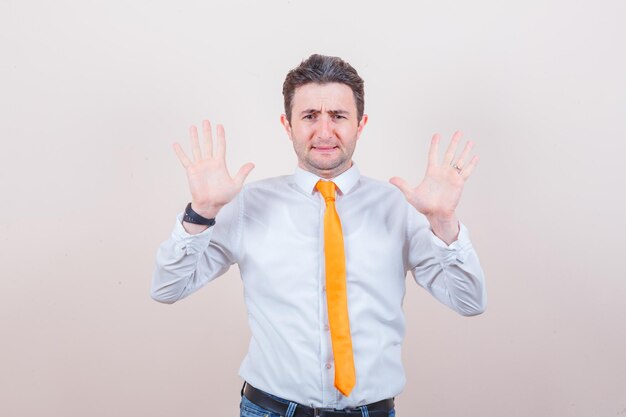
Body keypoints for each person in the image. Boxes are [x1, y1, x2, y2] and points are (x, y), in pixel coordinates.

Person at [152, 54, 486, 417]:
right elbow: (167, 289)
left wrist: (443, 222)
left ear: (361, 124)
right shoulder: (247, 204)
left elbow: (469, 302)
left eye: (338, 116)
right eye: (310, 116)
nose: (324, 132)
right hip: (270, 410)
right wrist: (200, 213)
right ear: (287, 124)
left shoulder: (402, 208)